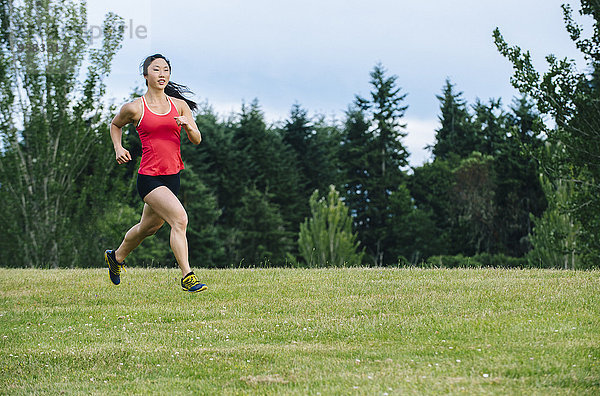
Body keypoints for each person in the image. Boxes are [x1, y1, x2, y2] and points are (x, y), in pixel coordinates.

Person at [104, 53, 207, 293]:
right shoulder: (134, 108)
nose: (162, 74)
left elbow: (197, 139)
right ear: (146, 75)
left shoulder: (178, 106)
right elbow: (115, 124)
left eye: (166, 70)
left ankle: (116, 257)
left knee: (147, 228)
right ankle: (187, 276)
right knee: (180, 220)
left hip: (173, 176)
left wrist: (189, 125)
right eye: (157, 70)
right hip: (149, 177)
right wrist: (118, 147)